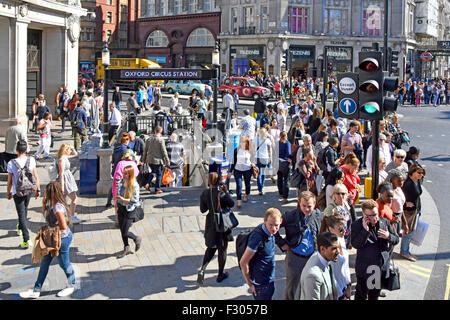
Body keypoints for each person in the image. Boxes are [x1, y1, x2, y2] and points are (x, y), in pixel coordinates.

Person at [19, 181, 77, 299]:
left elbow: (63, 226)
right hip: (54, 238)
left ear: (51, 193)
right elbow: (46, 215)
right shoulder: (52, 204)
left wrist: (50, 230)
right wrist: (44, 204)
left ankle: (72, 284)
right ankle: (37, 289)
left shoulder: (57, 207)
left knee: (64, 263)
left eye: (47, 192)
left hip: (62, 239)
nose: (45, 194)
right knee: (45, 262)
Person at [275, 191, 323, 300]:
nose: (306, 209)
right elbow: (273, 227)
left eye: (309, 206)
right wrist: (281, 243)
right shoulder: (290, 216)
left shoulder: (318, 215)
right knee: (292, 287)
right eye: (304, 206)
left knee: (310, 286)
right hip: (295, 258)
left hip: (312, 257)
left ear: (315, 204)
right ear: (299, 203)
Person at [351, 199, 399, 300]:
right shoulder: (357, 225)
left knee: (374, 295)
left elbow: (396, 239)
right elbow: (356, 244)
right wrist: (365, 231)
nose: (375, 218)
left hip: (379, 268)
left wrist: (389, 236)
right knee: (361, 294)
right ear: (365, 215)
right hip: (365, 269)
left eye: (376, 214)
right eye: (371, 215)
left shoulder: (384, 222)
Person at [198, 173, 235, 285]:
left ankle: (202, 269)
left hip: (211, 223)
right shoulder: (222, 194)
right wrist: (226, 191)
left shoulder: (205, 193)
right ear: (219, 181)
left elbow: (202, 210)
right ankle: (220, 274)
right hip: (222, 224)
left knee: (210, 248)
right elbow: (232, 203)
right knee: (222, 249)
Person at [240, 208, 282, 300]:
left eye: (276, 225)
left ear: (280, 222)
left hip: (268, 279)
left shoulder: (270, 231)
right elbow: (243, 262)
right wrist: (250, 284)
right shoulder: (257, 238)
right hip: (261, 285)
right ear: (264, 220)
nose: (274, 228)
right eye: (270, 225)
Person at [6, 140, 41, 248]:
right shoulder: (31, 160)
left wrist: (8, 192)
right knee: (24, 210)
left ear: (16, 150)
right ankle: (21, 227)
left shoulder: (12, 163)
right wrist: (38, 190)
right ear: (26, 150)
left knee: (21, 213)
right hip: (29, 189)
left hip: (18, 192)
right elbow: (36, 176)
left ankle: (26, 239)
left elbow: (10, 181)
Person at [299, 232, 340, 300]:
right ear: (322, 249)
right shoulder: (313, 276)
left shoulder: (325, 258)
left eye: (338, 247)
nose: (338, 252)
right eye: (334, 248)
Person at [399, 164, 425, 262]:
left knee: (411, 231)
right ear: (412, 172)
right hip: (409, 211)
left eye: (422, 173)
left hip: (416, 209)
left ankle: (406, 250)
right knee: (408, 231)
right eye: (419, 173)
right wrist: (405, 204)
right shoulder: (408, 183)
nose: (421, 175)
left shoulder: (417, 181)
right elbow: (399, 195)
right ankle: (404, 252)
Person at [115, 165, 142, 258]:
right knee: (122, 230)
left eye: (126, 174)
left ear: (130, 174)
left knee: (126, 232)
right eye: (123, 173)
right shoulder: (122, 182)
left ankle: (136, 238)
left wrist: (123, 199)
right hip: (121, 207)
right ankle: (126, 247)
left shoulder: (135, 185)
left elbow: (135, 200)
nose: (123, 175)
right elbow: (119, 194)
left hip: (129, 210)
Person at [323, 215, 351, 299]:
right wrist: (340, 294)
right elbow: (331, 275)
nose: (344, 231)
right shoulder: (329, 248)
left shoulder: (341, 240)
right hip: (334, 291)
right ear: (331, 229)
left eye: (345, 228)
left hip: (343, 286)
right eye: (340, 229)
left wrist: (348, 285)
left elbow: (346, 266)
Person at [57, 144, 82, 225]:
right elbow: (61, 174)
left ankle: (61, 217)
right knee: (74, 198)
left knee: (62, 201)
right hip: (65, 180)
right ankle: (71, 217)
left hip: (68, 179)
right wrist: (62, 187)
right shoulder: (62, 159)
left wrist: (72, 148)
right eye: (69, 150)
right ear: (65, 150)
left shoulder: (64, 157)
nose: (70, 151)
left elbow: (75, 154)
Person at [142, 126, 170, 194]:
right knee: (159, 174)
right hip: (158, 160)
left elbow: (145, 150)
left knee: (153, 171)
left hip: (150, 160)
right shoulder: (161, 140)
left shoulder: (148, 139)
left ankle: (148, 183)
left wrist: (144, 159)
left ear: (155, 131)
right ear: (160, 132)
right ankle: (157, 189)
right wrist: (167, 161)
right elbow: (164, 151)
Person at [229, 136, 253, 208]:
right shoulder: (236, 150)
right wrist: (230, 171)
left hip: (247, 170)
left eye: (243, 142)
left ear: (246, 142)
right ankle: (239, 200)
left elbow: (253, 159)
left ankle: (246, 194)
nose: (242, 143)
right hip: (237, 170)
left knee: (247, 184)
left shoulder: (250, 150)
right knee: (239, 186)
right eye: (241, 142)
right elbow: (233, 162)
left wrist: (253, 163)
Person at [254, 128, 272, 196]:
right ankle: (262, 186)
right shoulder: (267, 140)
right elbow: (270, 150)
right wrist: (270, 158)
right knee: (263, 172)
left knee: (258, 173)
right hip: (265, 157)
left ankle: (260, 189)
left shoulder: (255, 139)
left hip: (257, 157)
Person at [388, 169, 406, 239]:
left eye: (402, 180)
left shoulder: (399, 189)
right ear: (392, 180)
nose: (401, 182)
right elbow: (388, 209)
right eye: (399, 181)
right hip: (393, 219)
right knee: (392, 239)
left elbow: (401, 208)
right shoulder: (389, 193)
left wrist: (405, 223)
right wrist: (392, 221)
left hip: (399, 217)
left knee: (396, 238)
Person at [277, 131, 291, 203]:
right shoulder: (287, 143)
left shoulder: (278, 143)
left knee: (279, 178)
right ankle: (285, 197)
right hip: (285, 162)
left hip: (278, 162)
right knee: (286, 180)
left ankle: (280, 192)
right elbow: (288, 153)